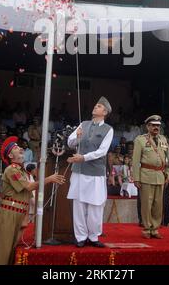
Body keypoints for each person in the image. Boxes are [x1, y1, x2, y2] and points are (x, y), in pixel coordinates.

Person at [0, 136, 65, 265]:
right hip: (9, 213)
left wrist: (25, 216)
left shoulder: (21, 171)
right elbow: (29, 187)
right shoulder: (11, 170)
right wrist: (49, 179)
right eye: (16, 148)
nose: (21, 148)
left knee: (11, 250)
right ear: (10, 155)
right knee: (4, 251)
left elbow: (27, 195)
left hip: (18, 211)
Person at [67, 97, 113, 248]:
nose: (95, 107)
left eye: (98, 106)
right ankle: (80, 237)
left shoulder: (108, 129)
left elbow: (102, 152)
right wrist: (77, 137)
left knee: (95, 204)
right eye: (95, 105)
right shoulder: (83, 124)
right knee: (79, 204)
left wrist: (84, 158)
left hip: (95, 172)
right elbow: (70, 142)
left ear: (104, 112)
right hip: (79, 171)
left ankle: (93, 237)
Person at [133, 115, 169, 239]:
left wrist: (168, 174)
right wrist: (136, 178)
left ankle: (155, 229)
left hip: (160, 175)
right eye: (153, 125)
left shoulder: (164, 140)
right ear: (148, 126)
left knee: (158, 204)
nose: (156, 127)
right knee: (146, 204)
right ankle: (146, 228)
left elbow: (167, 160)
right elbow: (135, 161)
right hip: (146, 175)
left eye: (158, 126)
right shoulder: (140, 140)